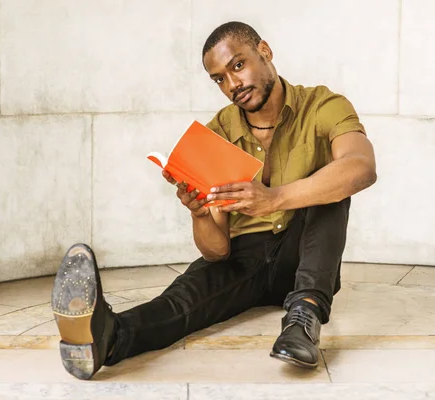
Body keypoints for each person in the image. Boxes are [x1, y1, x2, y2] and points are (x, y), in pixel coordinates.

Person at [51, 21, 377, 380]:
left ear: (264, 52)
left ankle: (303, 318)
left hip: (307, 255)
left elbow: (361, 166)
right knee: (182, 300)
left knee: (331, 185)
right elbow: (217, 252)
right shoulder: (215, 135)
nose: (232, 84)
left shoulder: (322, 105)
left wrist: (275, 199)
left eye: (238, 65)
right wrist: (200, 214)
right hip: (247, 258)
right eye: (219, 78)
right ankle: (109, 337)